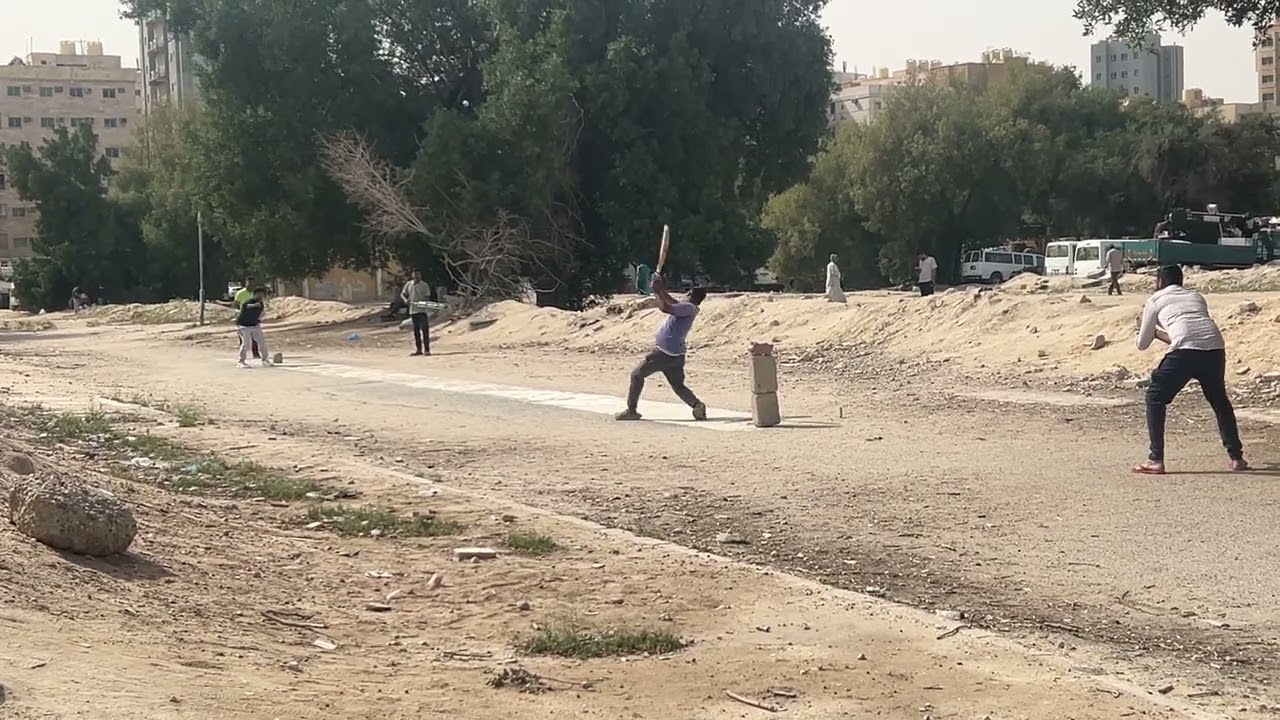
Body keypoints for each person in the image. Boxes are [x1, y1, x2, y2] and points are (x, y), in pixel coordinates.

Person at [1132, 264, 1247, 475]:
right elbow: (1188, 335)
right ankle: (1236, 457)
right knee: (1219, 400)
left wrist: (1143, 330)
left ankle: (1156, 459)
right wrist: (1158, 333)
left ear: (1159, 281)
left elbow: (1142, 344)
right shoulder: (1196, 297)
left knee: (1155, 397)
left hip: (1184, 353)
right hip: (1214, 348)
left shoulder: (1155, 300)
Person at [615, 273, 708, 421]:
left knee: (637, 375)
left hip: (664, 353)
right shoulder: (689, 308)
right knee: (678, 386)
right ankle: (697, 405)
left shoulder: (688, 307)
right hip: (676, 354)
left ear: (690, 294)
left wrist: (657, 292)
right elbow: (672, 302)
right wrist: (660, 289)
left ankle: (631, 410)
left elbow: (666, 307)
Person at [235, 288, 272, 368]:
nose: (261, 296)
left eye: (262, 295)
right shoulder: (247, 303)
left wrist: (259, 319)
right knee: (246, 344)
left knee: (262, 342)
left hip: (255, 325)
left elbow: (261, 314)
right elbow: (248, 307)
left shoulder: (261, 304)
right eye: (259, 294)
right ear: (254, 294)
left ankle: (265, 360)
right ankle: (241, 361)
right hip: (244, 326)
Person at [402, 270, 432, 356]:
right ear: (412, 275)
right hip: (413, 311)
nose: (417, 276)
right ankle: (418, 350)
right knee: (416, 331)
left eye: (418, 274)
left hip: (422, 311)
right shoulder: (409, 284)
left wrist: (422, 303)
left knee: (424, 330)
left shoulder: (424, 285)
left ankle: (427, 350)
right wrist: (405, 300)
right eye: (415, 275)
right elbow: (403, 293)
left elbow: (427, 297)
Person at [234, 276, 261, 359]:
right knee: (243, 338)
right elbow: (236, 304)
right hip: (243, 317)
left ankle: (255, 353)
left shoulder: (256, 294)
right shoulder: (240, 293)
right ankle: (243, 354)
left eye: (253, 283)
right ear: (246, 283)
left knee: (255, 336)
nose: (251, 285)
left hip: (253, 317)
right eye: (249, 283)